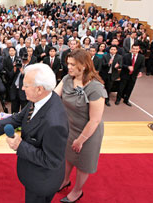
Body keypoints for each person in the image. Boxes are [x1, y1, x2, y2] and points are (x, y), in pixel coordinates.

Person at [0, 63, 69, 203]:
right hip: (32, 171)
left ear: (39, 89)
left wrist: (20, 146)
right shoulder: (42, 98)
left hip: (41, 182)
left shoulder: (55, 123)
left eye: (26, 85)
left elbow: (51, 160)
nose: (22, 88)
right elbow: (19, 118)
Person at [54, 48, 107, 203]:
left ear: (83, 66)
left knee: (83, 164)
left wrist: (81, 140)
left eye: (72, 64)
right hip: (70, 127)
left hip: (89, 133)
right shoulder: (67, 79)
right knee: (68, 157)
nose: (68, 67)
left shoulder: (95, 87)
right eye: (68, 63)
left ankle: (77, 191)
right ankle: (64, 181)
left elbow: (95, 120)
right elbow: (54, 97)